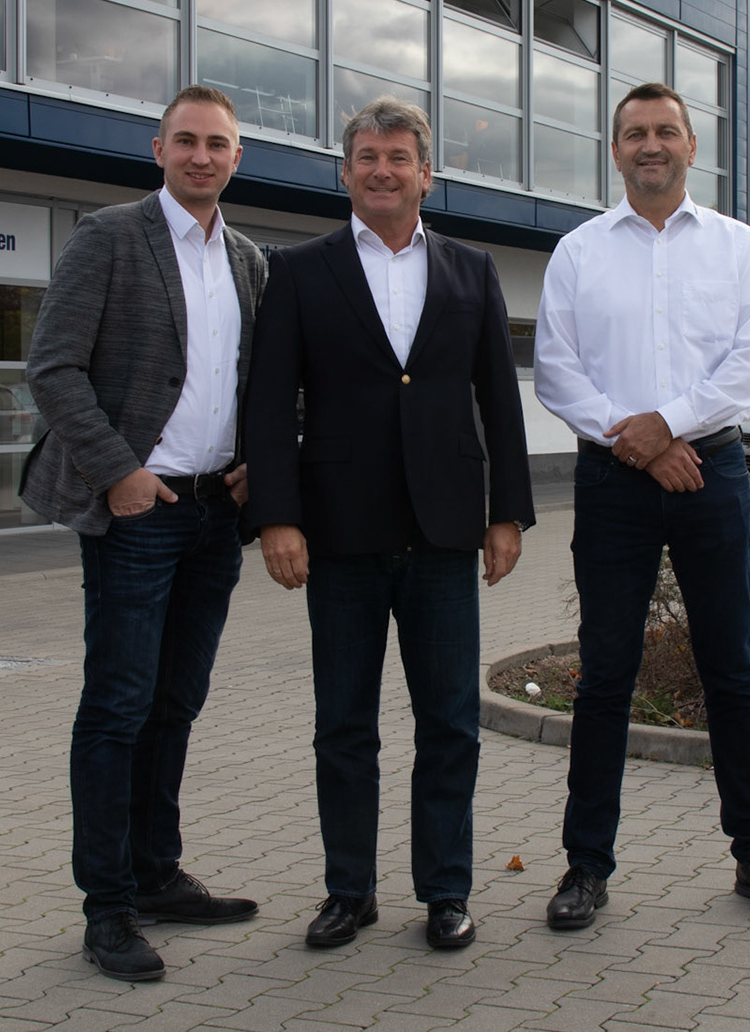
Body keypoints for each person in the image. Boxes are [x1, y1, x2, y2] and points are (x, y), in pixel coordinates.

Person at [244, 96, 536, 951]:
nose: (382, 170)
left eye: (398, 157)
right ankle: (350, 891)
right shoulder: (299, 270)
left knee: (449, 722)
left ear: (425, 174)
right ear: (345, 172)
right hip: (338, 533)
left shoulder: (471, 269)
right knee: (344, 726)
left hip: (445, 532)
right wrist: (277, 518)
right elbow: (269, 404)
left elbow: (499, 398)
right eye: (367, 157)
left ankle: (446, 891)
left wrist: (508, 513)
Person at [533, 81, 750, 929]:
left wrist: (669, 426)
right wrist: (643, 443)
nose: (650, 145)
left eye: (665, 131)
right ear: (615, 150)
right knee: (605, 674)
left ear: (691, 145)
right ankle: (586, 866)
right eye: (634, 134)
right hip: (613, 482)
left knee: (733, 670)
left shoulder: (737, 247)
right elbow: (556, 370)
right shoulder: (578, 251)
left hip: (709, 474)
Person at [22, 85, 268, 982]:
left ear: (237, 157)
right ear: (158, 150)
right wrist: (118, 470)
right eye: (186, 141)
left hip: (215, 515)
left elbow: (268, 381)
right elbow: (53, 367)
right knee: (118, 706)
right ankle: (108, 907)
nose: (202, 156)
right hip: (139, 510)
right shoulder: (109, 237)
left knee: (177, 702)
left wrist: (262, 463)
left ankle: (157, 873)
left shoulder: (248, 260)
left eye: (218, 144)